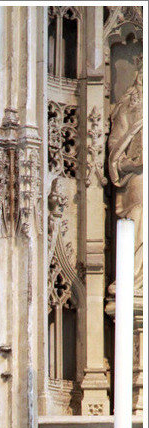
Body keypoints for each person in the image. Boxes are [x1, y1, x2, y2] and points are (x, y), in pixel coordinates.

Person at [108, 64, 143, 292]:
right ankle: (135, 280)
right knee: (140, 216)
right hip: (139, 178)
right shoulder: (128, 109)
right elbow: (115, 152)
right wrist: (132, 163)